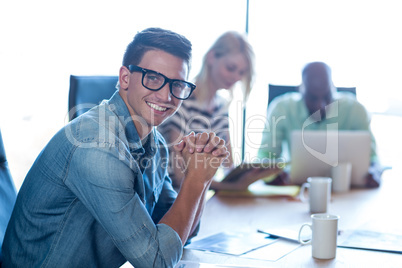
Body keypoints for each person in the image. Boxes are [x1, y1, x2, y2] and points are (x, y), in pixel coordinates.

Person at [2, 28, 229, 268]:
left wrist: (203, 172)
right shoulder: (97, 146)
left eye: (177, 84)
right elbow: (158, 261)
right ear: (125, 78)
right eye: (152, 78)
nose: (166, 96)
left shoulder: (156, 143)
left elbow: (179, 234)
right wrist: (195, 179)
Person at [158, 31, 280, 192]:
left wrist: (252, 175)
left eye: (242, 72)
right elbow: (181, 178)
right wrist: (232, 186)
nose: (236, 77)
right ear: (211, 57)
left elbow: (228, 164)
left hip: (199, 198)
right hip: (172, 200)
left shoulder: (221, 107)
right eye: (231, 68)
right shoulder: (181, 101)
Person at [258, 61, 382, 188]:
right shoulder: (281, 108)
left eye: (327, 96)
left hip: (350, 192)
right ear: (300, 90)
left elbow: (372, 157)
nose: (320, 105)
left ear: (334, 89)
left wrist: (375, 171)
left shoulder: (355, 109)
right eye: (312, 98)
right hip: (296, 191)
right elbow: (264, 155)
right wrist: (270, 174)